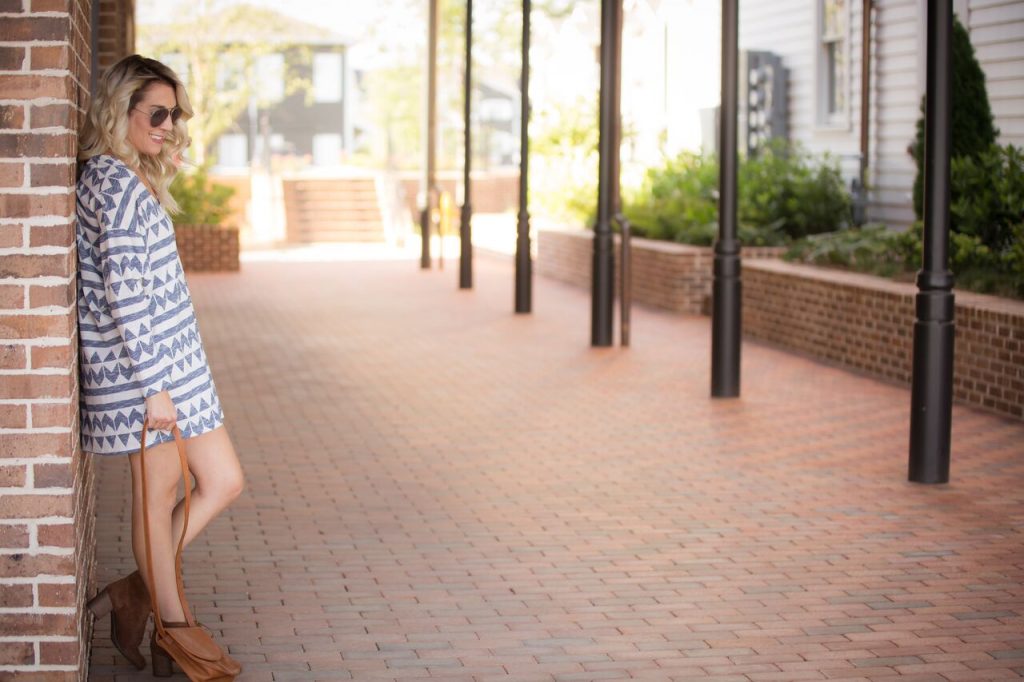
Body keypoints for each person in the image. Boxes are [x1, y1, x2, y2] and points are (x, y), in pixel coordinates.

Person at [77, 55, 244, 674]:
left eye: (174, 114)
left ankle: (136, 588)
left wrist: (154, 168)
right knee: (159, 497)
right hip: (145, 376)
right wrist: (154, 390)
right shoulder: (112, 184)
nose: (169, 124)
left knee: (223, 479)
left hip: (176, 367)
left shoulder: (125, 176)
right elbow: (125, 296)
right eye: (157, 112)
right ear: (120, 109)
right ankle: (174, 626)